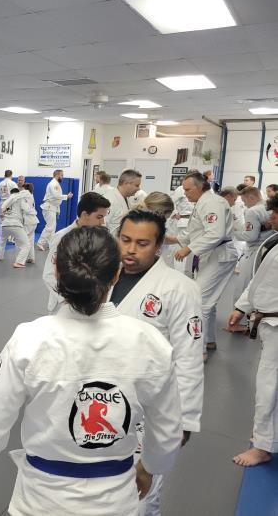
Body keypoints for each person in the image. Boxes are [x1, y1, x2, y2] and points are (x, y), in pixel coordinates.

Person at [0, 227, 182, 516]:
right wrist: (149, 467)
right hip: (116, 501)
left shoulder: (30, 338)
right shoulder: (150, 342)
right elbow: (167, 427)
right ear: (116, 274)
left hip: (39, 503)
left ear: (57, 271)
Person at [112, 210, 204, 515]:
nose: (130, 250)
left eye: (142, 243)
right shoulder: (104, 275)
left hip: (150, 408)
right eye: (125, 240)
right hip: (104, 400)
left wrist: (185, 421)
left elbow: (189, 359)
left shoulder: (179, 288)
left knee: (141, 498)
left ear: (159, 245)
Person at [228, 194, 278, 467]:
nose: (271, 218)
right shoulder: (274, 241)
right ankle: (268, 436)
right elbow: (259, 282)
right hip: (267, 322)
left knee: (268, 386)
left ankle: (262, 445)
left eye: (275, 213)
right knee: (270, 385)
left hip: (276, 324)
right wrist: (241, 307)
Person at [167, 172, 236, 357]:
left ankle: (199, 350)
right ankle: (209, 340)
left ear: (199, 187)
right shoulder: (202, 202)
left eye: (188, 190)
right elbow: (196, 231)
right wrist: (173, 239)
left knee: (200, 301)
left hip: (219, 255)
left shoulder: (211, 202)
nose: (185, 193)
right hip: (212, 255)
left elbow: (215, 233)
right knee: (208, 302)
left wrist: (188, 249)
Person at [42, 192, 110, 314]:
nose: (102, 222)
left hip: (89, 303)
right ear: (85, 214)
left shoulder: (96, 237)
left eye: (104, 217)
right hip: (64, 304)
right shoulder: (62, 237)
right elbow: (49, 274)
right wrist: (68, 301)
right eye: (99, 217)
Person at [229, 187, 272, 332]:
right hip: (269, 250)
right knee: (261, 286)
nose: (244, 204)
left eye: (245, 200)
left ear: (252, 197)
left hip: (255, 251)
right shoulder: (269, 207)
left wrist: (232, 233)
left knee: (243, 286)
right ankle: (254, 320)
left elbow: (250, 236)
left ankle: (237, 323)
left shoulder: (253, 211)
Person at [36, 169, 73, 250]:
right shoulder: (53, 184)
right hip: (49, 207)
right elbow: (56, 196)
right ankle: (40, 242)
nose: (62, 177)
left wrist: (57, 210)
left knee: (52, 228)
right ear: (57, 175)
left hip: (52, 207)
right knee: (50, 227)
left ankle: (51, 244)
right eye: (61, 175)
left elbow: (56, 198)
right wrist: (66, 196)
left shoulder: (56, 183)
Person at [0, 188, 31, 268]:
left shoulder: (8, 200)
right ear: (18, 193)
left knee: (2, 240)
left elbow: (2, 210)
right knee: (26, 244)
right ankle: (19, 262)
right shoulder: (20, 199)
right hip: (15, 224)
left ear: (11, 193)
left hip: (5, 224)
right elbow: (27, 210)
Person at [104, 169, 142, 237]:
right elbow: (102, 226)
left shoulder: (126, 198)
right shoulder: (110, 200)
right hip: (109, 241)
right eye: (137, 185)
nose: (139, 189)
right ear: (126, 183)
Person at [0, 170, 19, 255]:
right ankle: (11, 239)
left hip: (2, 204)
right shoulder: (13, 184)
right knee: (12, 220)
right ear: (11, 175)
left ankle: (0, 238)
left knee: (1, 222)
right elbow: (17, 195)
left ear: (4, 175)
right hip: (10, 204)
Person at [21, 183, 39, 263]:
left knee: (23, 241)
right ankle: (31, 258)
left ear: (25, 189)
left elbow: (25, 209)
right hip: (33, 220)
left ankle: (21, 259)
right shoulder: (31, 195)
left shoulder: (24, 196)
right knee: (30, 240)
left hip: (28, 221)